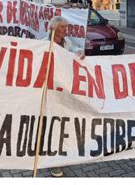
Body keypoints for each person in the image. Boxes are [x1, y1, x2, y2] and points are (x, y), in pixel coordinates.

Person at [44, 16, 84, 178]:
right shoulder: (42, 44)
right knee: (50, 127)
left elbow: (74, 52)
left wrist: (79, 53)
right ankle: (53, 162)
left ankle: (58, 156)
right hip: (49, 91)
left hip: (64, 90)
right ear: (53, 28)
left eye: (66, 28)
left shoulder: (67, 42)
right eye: (63, 28)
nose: (66, 31)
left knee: (61, 126)